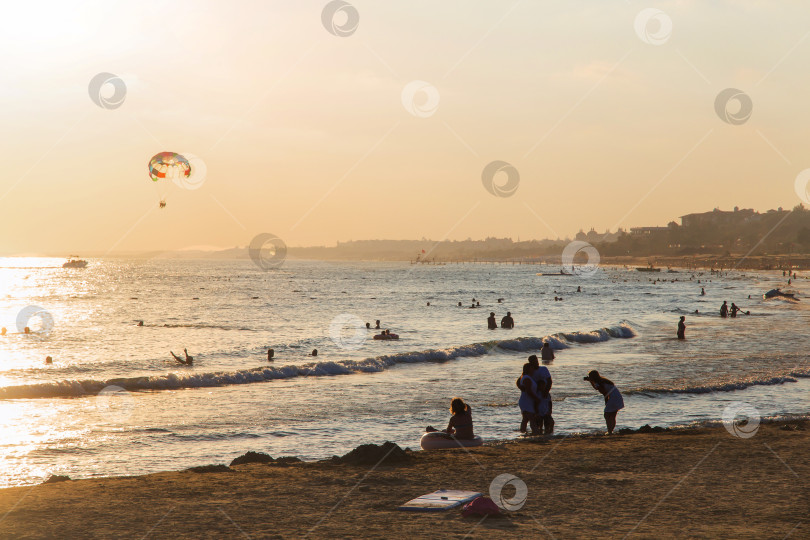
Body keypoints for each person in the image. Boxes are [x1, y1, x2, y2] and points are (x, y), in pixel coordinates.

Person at [584, 370, 624, 435]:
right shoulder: (604, 381)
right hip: (618, 397)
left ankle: (610, 431)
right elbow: (597, 388)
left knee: (607, 415)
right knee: (612, 415)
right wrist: (591, 381)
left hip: (613, 398)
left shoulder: (599, 383)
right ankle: (611, 431)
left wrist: (606, 401)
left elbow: (604, 393)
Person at [527, 354, 553, 433]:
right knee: (537, 416)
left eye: (536, 360)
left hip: (545, 392)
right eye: (533, 361)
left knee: (547, 415)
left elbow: (549, 381)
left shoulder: (544, 369)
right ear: (530, 363)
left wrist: (546, 391)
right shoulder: (530, 371)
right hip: (535, 394)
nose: (536, 362)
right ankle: (539, 431)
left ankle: (548, 432)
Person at [517, 363, 541, 435]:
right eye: (532, 368)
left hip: (527, 400)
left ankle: (523, 432)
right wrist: (536, 399)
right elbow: (528, 391)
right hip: (527, 401)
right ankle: (535, 433)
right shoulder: (526, 378)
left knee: (525, 419)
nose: (533, 369)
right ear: (528, 369)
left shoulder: (527, 377)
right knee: (531, 418)